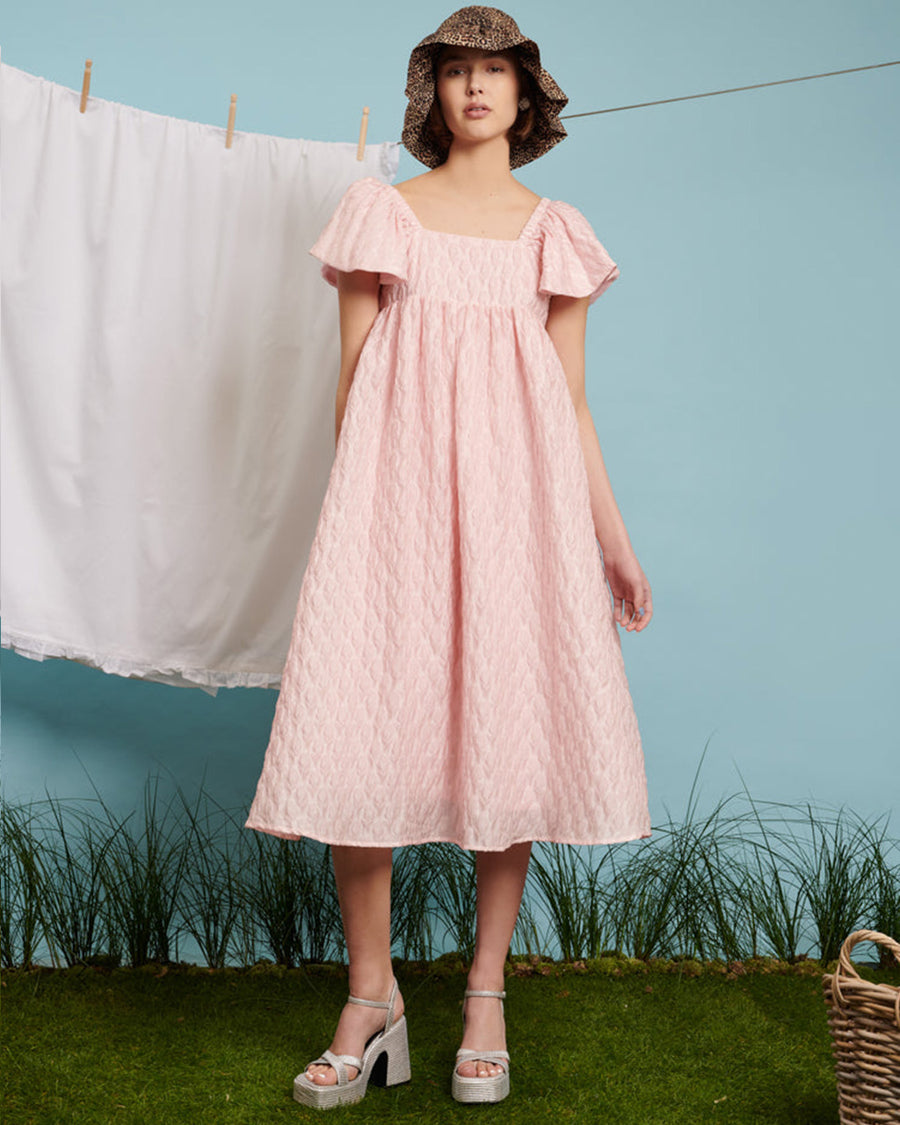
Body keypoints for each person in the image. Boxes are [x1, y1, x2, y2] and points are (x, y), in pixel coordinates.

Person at [245, 4, 653, 1110]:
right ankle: (370, 999)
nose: (477, 88)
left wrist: (612, 544)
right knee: (360, 727)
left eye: (497, 72)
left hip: (524, 516)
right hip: (393, 508)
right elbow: (354, 381)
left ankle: (486, 996)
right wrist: (359, 524)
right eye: (458, 71)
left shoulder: (551, 231)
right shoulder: (383, 214)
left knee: (507, 727)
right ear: (436, 93)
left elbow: (570, 406)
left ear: (527, 98)